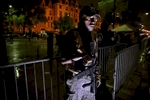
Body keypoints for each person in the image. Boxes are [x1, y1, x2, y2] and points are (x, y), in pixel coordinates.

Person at [60, 5, 101, 100]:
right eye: (90, 18)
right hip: (76, 79)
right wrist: (79, 57)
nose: (93, 21)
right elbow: (63, 61)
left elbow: (96, 57)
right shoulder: (72, 34)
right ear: (82, 18)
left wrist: (98, 75)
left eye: (95, 18)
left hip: (91, 78)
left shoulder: (94, 35)